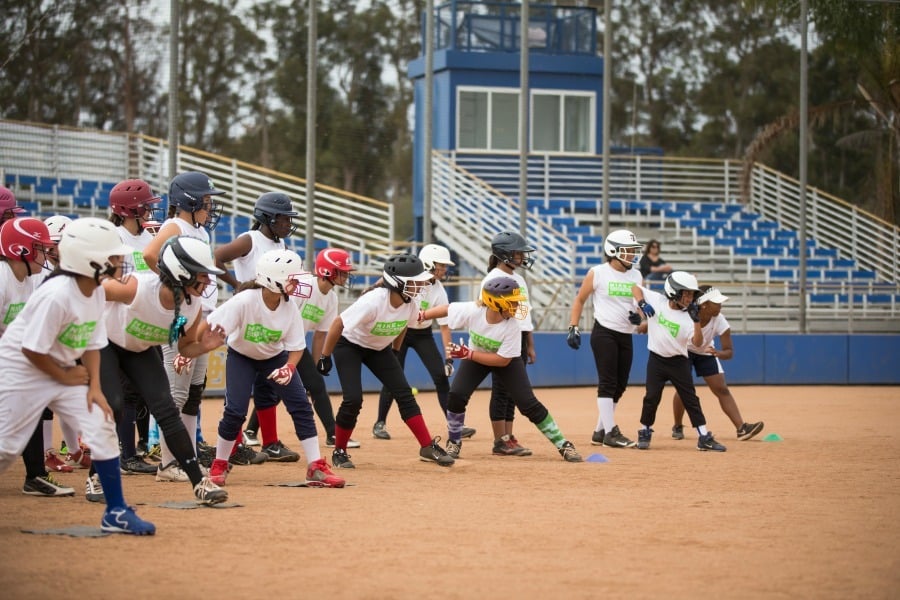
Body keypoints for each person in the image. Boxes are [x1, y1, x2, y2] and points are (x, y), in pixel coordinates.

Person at [0, 217, 155, 534]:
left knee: (101, 424)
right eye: (113, 257)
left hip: (61, 369)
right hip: (23, 370)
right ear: (90, 260)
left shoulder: (96, 290)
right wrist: (64, 375)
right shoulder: (56, 294)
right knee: (6, 448)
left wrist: (94, 387)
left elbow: (93, 344)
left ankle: (115, 512)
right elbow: (32, 350)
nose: (120, 262)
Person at [213, 194, 358, 455]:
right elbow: (217, 257)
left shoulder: (280, 246)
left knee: (267, 389)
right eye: (283, 217)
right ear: (267, 217)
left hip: (274, 314)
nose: (288, 223)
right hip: (251, 312)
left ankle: (269, 443)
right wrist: (237, 286)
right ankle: (234, 446)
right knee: (238, 394)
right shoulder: (250, 239)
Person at [98, 235, 229, 505]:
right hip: (105, 343)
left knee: (167, 410)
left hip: (140, 350)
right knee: (114, 405)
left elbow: (184, 348)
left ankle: (198, 483)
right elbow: (92, 293)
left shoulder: (191, 307)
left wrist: (203, 346)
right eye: (201, 274)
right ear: (181, 271)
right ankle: (95, 476)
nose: (207, 281)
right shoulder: (137, 287)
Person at [205, 249, 345, 488]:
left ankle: (315, 466)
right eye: (292, 278)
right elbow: (210, 326)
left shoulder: (289, 307)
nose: (298, 283)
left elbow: (297, 347)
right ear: (274, 279)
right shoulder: (245, 300)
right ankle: (219, 462)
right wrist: (187, 353)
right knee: (235, 410)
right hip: (242, 356)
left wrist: (290, 368)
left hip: (274, 357)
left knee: (301, 405)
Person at [420, 276, 583, 462]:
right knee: (456, 395)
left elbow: (502, 361)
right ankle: (454, 442)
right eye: (512, 303)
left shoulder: (513, 325)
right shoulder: (474, 311)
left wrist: (468, 354)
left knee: (528, 404)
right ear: (495, 303)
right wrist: (422, 315)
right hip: (476, 356)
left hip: (504, 360)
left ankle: (564, 445)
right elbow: (447, 309)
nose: (517, 307)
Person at [317, 254, 455, 469]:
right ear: (398, 282)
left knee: (405, 395)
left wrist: (396, 352)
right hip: (350, 346)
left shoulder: (410, 302)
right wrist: (325, 356)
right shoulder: (373, 301)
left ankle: (427, 446)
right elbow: (338, 323)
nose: (421, 285)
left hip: (378, 349)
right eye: (416, 281)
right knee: (353, 400)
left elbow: (403, 325)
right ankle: (340, 451)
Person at [142, 171, 225, 481]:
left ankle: (185, 456)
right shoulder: (175, 226)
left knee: (193, 393)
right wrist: (175, 285)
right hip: (181, 316)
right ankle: (167, 464)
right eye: (205, 201)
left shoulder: (198, 230)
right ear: (188, 201)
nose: (209, 207)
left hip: (201, 316)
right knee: (176, 395)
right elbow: (150, 254)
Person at [0, 216, 76, 496]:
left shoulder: (33, 279)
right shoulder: (2, 277)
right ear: (21, 250)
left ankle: (35, 476)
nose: (46, 254)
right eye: (40, 248)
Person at [372, 243, 474, 441]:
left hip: (422, 334)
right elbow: (385, 283)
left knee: (440, 377)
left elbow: (445, 326)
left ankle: (454, 425)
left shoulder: (439, 289)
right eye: (441, 265)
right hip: (400, 331)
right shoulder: (409, 281)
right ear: (428, 263)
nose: (445, 269)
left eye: (445, 266)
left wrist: (449, 359)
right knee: (393, 376)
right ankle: (379, 423)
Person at [631, 271, 727, 452]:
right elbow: (635, 288)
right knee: (651, 397)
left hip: (679, 361)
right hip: (656, 359)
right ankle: (645, 431)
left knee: (690, 399)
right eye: (687, 293)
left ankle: (703, 436)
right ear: (673, 291)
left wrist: (696, 321)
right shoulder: (658, 301)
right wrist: (642, 304)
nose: (690, 298)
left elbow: (697, 343)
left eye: (692, 294)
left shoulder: (689, 317)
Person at [567, 229, 644, 448]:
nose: (631, 255)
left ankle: (599, 431)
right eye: (627, 251)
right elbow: (580, 299)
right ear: (613, 251)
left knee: (620, 386)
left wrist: (638, 317)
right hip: (604, 332)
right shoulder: (598, 272)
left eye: (632, 251)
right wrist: (573, 326)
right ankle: (611, 433)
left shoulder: (636, 275)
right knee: (608, 383)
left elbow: (641, 304)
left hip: (625, 334)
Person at [108, 179, 164, 474]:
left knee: (145, 392)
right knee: (128, 393)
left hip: (146, 323)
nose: (149, 212)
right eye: (145, 207)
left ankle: (138, 448)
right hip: (119, 325)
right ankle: (126, 456)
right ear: (129, 209)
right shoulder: (113, 238)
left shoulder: (147, 238)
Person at [670, 285, 764, 441]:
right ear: (704, 304)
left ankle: (741, 428)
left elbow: (729, 352)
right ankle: (677, 426)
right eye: (717, 302)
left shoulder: (719, 319)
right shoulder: (686, 314)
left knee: (722, 389)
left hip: (706, 352)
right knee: (683, 389)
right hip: (684, 350)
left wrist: (718, 353)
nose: (720, 306)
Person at [481, 231, 536, 456]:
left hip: (519, 338)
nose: (522, 257)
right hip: (501, 339)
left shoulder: (519, 279)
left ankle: (509, 438)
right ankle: (499, 440)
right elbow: (488, 314)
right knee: (501, 390)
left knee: (513, 391)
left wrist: (529, 344)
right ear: (504, 254)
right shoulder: (491, 279)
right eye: (517, 253)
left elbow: (524, 314)